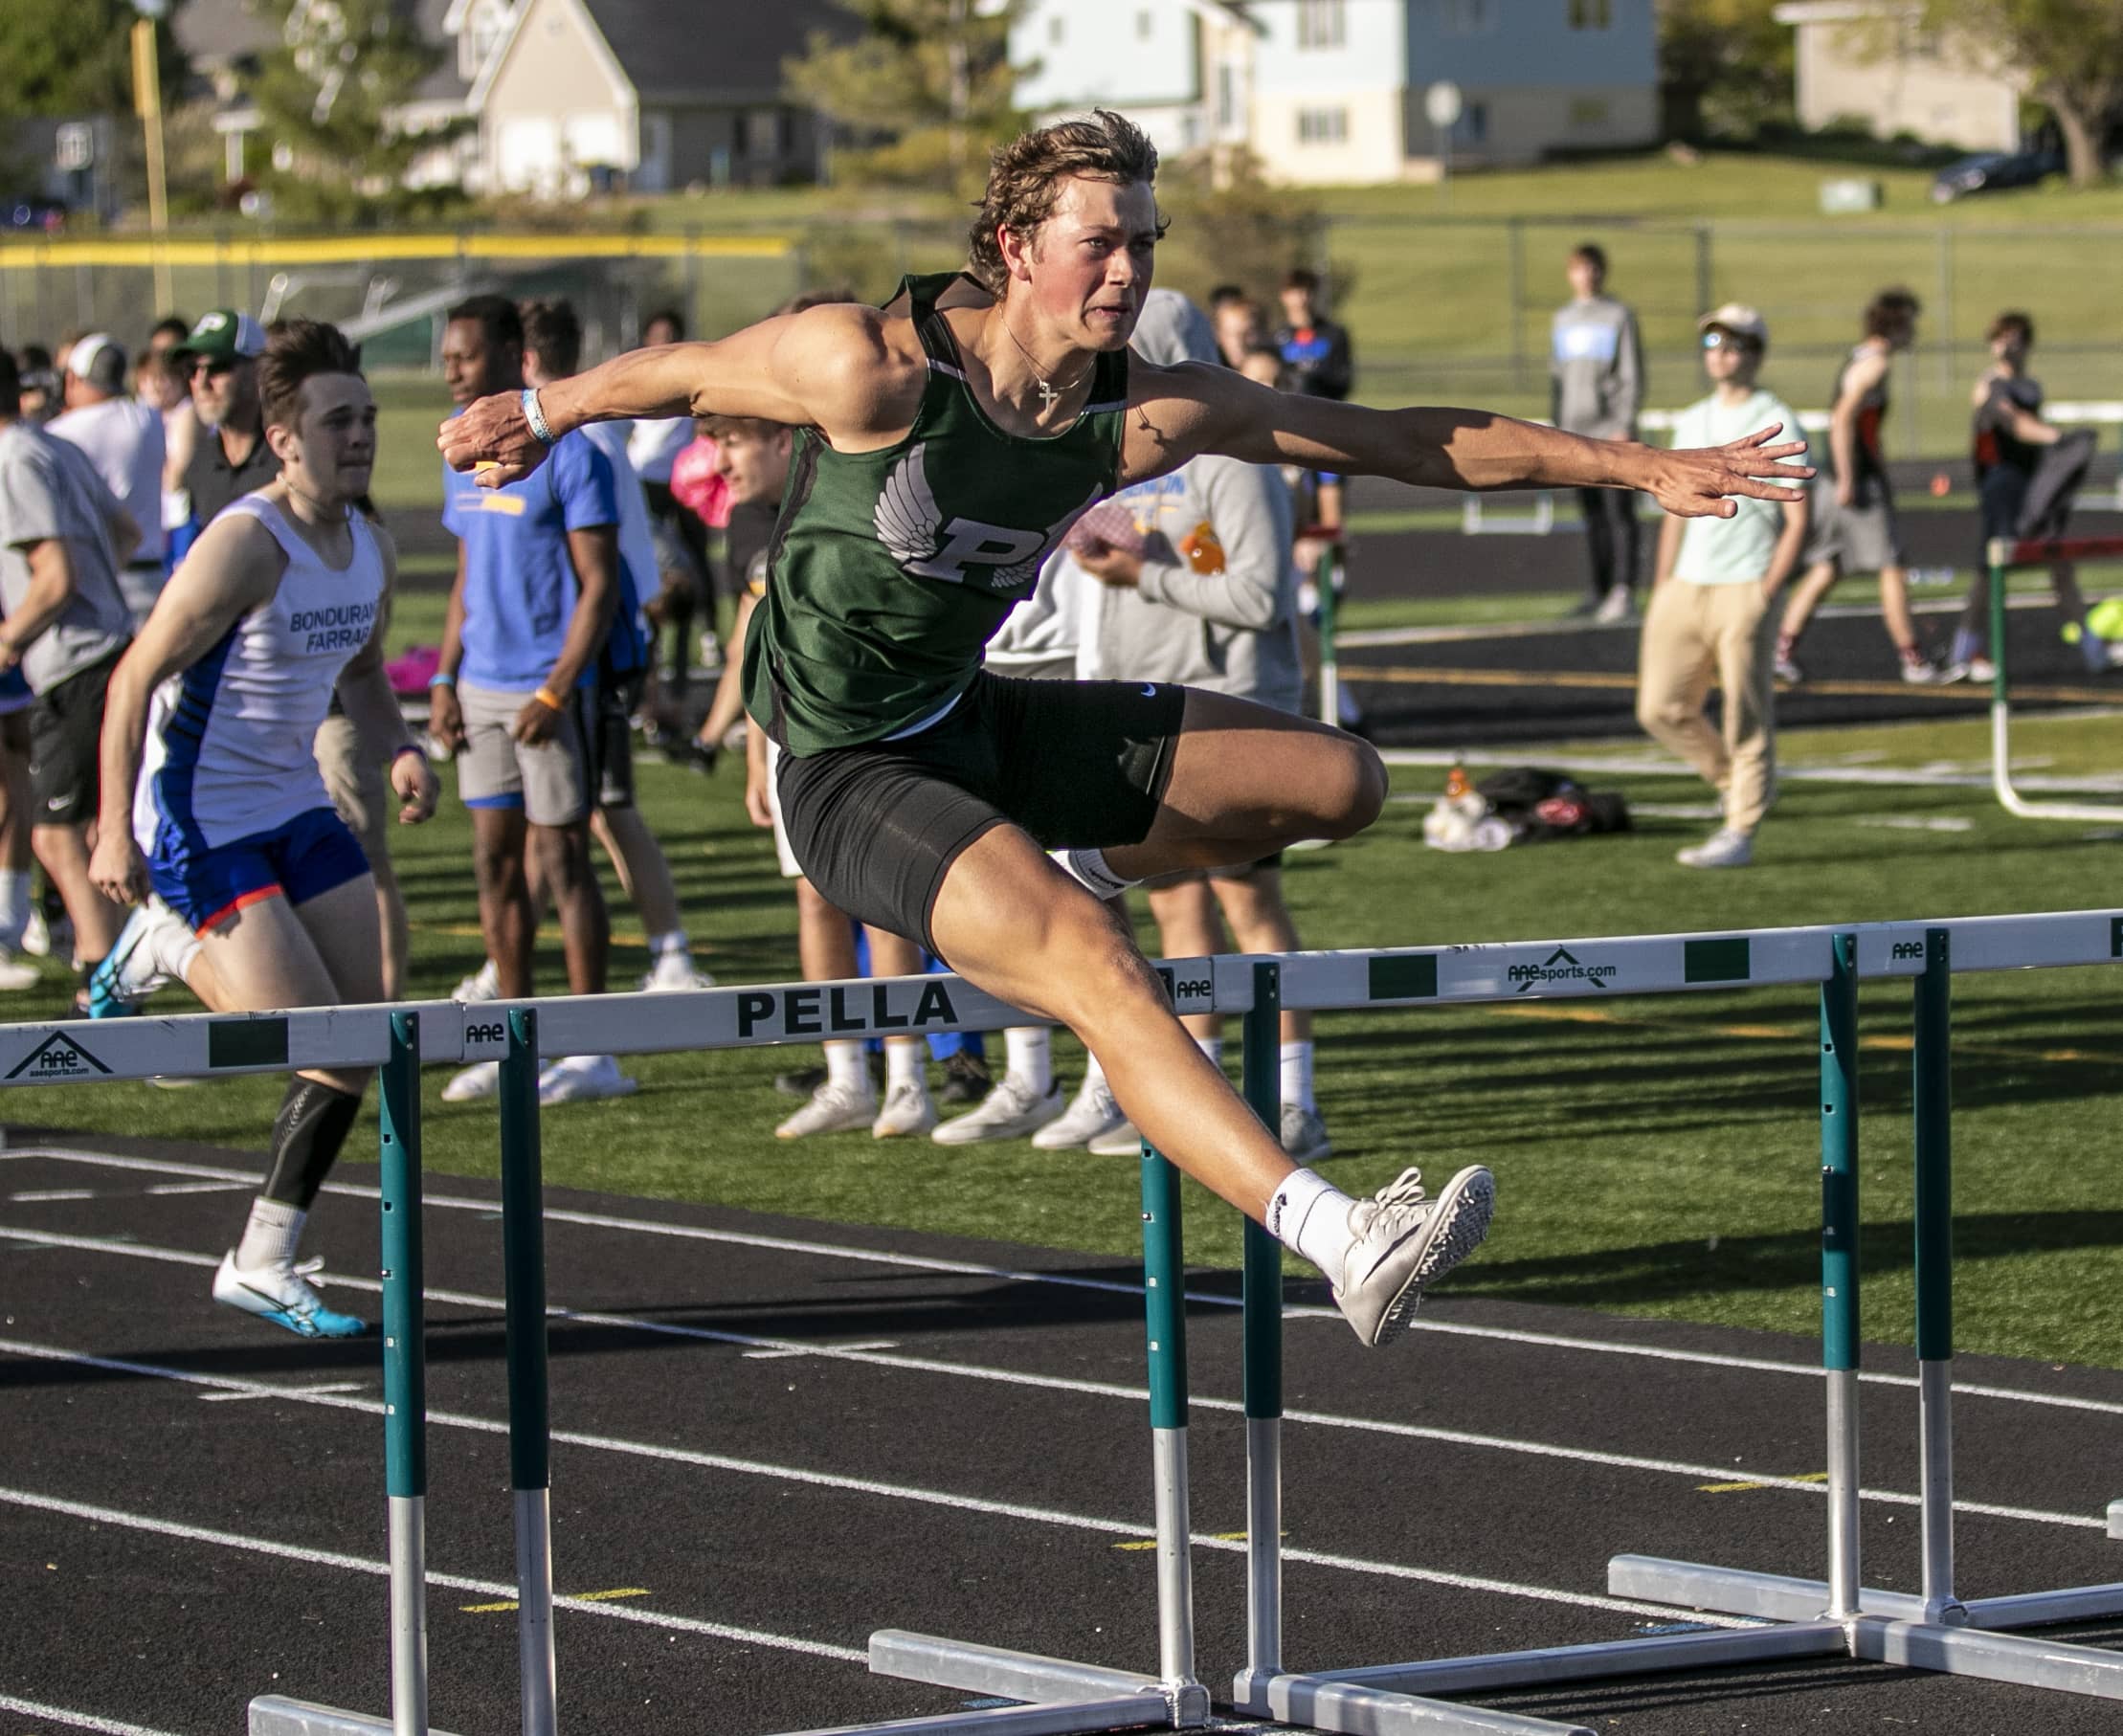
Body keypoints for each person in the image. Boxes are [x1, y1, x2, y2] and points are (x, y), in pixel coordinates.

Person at [440, 109, 1807, 1347]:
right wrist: (539, 409)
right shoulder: (869, 369)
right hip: (848, 772)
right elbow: (681, 375)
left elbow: (1402, 439)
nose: (1127, 271)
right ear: (1010, 246)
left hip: (977, 723)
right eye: (1100, 242)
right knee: (1098, 967)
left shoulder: (1145, 412)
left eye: (1145, 243)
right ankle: (1339, 1237)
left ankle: (1062, 873)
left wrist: (1638, 464)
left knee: (1339, 781)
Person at [88, 318, 439, 1338]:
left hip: (294, 804)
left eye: (369, 417)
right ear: (283, 438)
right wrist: (117, 831)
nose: (361, 434)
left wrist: (400, 746)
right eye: (339, 420)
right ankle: (166, 935)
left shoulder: (367, 541)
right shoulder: (247, 542)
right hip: (202, 817)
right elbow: (131, 680)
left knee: (360, 1042)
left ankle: (261, 1258)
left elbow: (366, 673)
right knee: (305, 1038)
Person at [1050, 289, 1333, 1162]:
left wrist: (1144, 576)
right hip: (1149, 712)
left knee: (1250, 902)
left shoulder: (1233, 462)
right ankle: (1200, 1098)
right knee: (1172, 910)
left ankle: (1294, 1101)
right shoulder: (1125, 457)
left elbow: (1256, 596)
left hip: (1231, 713)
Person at [708, 410, 941, 1138]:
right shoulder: (749, 520)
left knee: (881, 900)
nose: (722, 462)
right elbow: (760, 632)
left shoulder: (849, 492)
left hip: (871, 722)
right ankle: (847, 1077)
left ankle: (908, 1076)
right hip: (792, 733)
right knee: (814, 901)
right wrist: (753, 751)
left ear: (785, 440)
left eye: (734, 441)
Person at [431, 295, 634, 1106]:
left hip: (548, 693)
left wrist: (557, 688)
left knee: (563, 862)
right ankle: (509, 1040)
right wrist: (444, 677)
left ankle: (591, 1049)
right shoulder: (460, 453)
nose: (450, 367)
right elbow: (464, 579)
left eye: (466, 355)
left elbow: (600, 587)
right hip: (479, 691)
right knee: (493, 865)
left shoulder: (573, 455)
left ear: (514, 357)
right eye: (447, 355)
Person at [1636, 306, 1810, 871]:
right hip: (1686, 586)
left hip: (1744, 586)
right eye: (1712, 342)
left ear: (1756, 353)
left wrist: (1766, 590)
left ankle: (1741, 827)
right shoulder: (1691, 420)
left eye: (1734, 344)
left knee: (1746, 714)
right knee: (1659, 707)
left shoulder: (1775, 418)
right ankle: (1737, 783)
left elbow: (1799, 520)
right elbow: (1671, 510)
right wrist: (1662, 585)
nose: (1721, 353)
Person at [0, 347, 140, 997]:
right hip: (104, 650)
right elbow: (127, 532)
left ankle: (102, 978)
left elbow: (56, 578)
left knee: (55, 836)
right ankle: (112, 966)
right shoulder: (53, 445)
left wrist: (9, 639)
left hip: (74, 663)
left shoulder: (12, 458)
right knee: (83, 832)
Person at [1775, 288, 1939, 685]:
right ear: (1896, 323)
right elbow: (1842, 419)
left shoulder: (1862, 357)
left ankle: (1780, 650)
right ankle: (1913, 660)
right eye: (1910, 322)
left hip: (1839, 480)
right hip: (1855, 485)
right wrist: (1850, 477)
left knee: (1827, 567)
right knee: (1892, 568)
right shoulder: (1875, 364)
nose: (1915, 331)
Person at [1943, 311, 2107, 681]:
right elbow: (2014, 423)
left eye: (2014, 338)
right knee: (1992, 572)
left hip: (2033, 487)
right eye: (2001, 337)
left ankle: (2092, 648)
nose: (2007, 345)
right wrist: (2057, 439)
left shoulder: (2031, 386)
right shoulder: (1989, 386)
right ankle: (1966, 650)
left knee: (2059, 562)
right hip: (2001, 486)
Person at [1551, 243, 1644, 624]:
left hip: (1610, 431)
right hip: (1575, 433)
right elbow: (1557, 378)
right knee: (1592, 517)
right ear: (1570, 273)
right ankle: (1600, 589)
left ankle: (1625, 590)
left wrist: (1624, 421)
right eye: (1579, 268)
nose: (1586, 275)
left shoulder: (1618, 316)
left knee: (1619, 513)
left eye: (1593, 268)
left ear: (1602, 272)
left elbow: (1631, 374)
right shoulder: (1563, 319)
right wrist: (1557, 426)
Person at [50, 333, 167, 629]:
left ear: (75, 379)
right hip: (153, 576)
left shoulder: (62, 433)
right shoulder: (150, 419)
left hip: (104, 579)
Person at [627, 307, 713, 691]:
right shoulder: (635, 376)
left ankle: (707, 634)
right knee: (656, 571)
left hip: (683, 484)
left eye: (669, 335)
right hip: (646, 482)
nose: (662, 343)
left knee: (694, 565)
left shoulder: (692, 372)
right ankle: (652, 656)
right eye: (655, 335)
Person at [1273, 268, 1353, 536]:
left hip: (1328, 426)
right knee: (1293, 502)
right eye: (1296, 292)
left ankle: (1332, 567)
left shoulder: (1333, 335)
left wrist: (1312, 379)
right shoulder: (1278, 338)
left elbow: (1344, 381)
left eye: (1307, 291)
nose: (1302, 298)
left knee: (1330, 502)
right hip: (1291, 428)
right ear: (1285, 296)